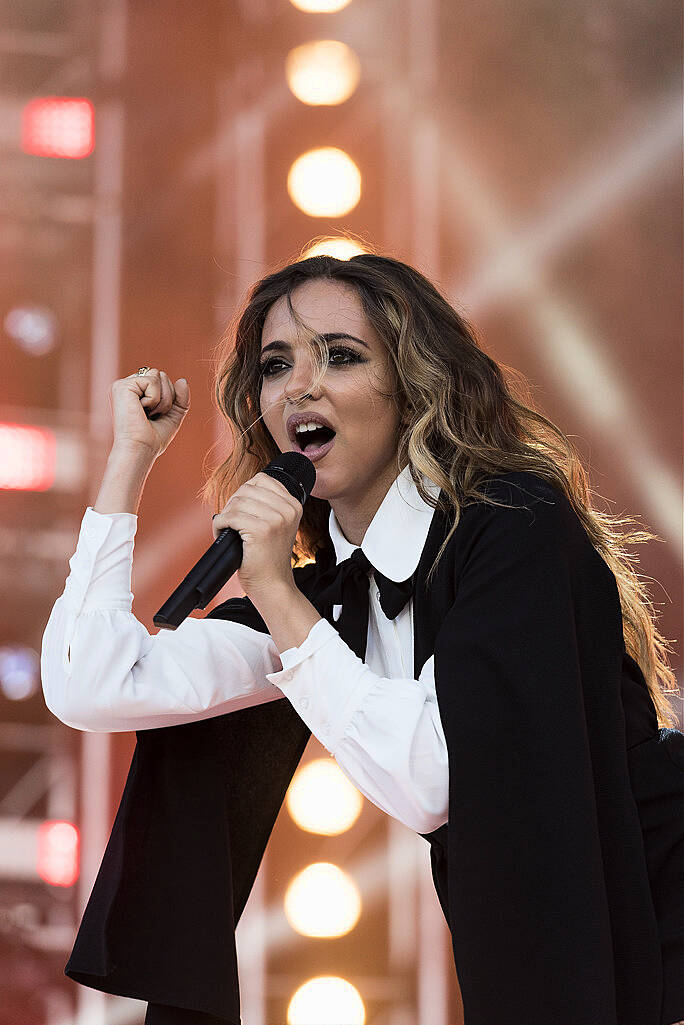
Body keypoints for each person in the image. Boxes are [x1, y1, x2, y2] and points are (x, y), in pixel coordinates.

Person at [41, 253, 684, 1025]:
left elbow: (436, 783)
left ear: (414, 387)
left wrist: (276, 591)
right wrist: (129, 463)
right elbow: (92, 683)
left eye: (341, 356)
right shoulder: (324, 604)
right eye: (276, 366)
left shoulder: (513, 526)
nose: (300, 386)